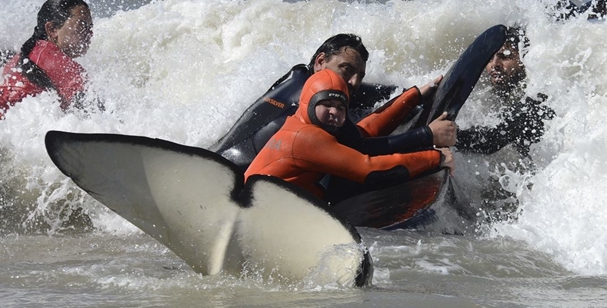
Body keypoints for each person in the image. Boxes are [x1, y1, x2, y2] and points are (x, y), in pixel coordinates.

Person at [211, 33, 456, 172]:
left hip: (216, 160)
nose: (352, 83)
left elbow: (367, 102)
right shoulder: (313, 104)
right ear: (320, 61)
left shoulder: (300, 76)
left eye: (359, 76)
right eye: (346, 70)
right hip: (235, 177)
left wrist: (413, 94)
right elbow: (360, 149)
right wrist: (427, 138)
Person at [245, 69, 453, 201]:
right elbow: (371, 170)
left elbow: (362, 136)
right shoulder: (305, 137)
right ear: (307, 104)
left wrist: (414, 96)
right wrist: (436, 157)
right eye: (325, 104)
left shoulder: (306, 123)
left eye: (340, 107)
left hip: (275, 209)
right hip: (259, 219)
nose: (334, 112)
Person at [0, 0, 94, 135]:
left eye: (90, 28)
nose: (90, 34)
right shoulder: (57, 62)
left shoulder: (24, 54)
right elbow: (94, 111)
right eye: (82, 27)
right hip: (1, 137)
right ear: (52, 29)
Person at [456, 26, 554, 157]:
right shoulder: (499, 92)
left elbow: (491, 139)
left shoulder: (535, 97)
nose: (494, 64)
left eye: (505, 56)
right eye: (490, 58)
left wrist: (447, 135)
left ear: (524, 60)